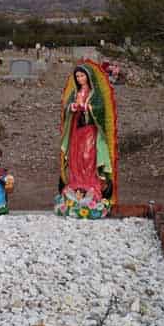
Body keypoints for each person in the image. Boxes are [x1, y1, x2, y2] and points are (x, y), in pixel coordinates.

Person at [56, 62, 118, 218]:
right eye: (77, 76)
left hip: (90, 131)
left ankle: (90, 184)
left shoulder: (94, 94)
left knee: (88, 157)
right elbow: (66, 109)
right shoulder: (75, 92)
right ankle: (76, 184)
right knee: (75, 158)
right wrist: (72, 107)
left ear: (88, 77)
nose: (79, 79)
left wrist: (88, 108)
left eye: (82, 76)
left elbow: (100, 109)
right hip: (76, 132)